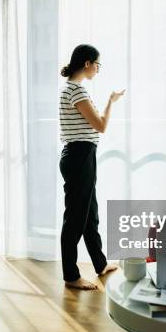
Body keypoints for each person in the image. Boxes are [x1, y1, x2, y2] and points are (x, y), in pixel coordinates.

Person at [59, 44, 125, 290]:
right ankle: (70, 276)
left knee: (89, 215)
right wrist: (110, 102)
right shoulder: (77, 91)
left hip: (81, 155)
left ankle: (100, 263)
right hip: (79, 156)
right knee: (75, 218)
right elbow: (101, 126)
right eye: (97, 64)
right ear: (87, 63)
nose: (98, 68)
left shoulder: (72, 90)